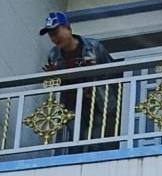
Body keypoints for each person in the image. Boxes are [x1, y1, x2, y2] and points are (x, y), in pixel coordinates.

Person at [38, 10, 119, 150]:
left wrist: (95, 69)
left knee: (97, 141)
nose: (54, 38)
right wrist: (54, 76)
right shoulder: (54, 55)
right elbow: (59, 85)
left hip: (98, 102)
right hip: (73, 105)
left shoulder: (93, 47)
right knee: (75, 140)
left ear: (68, 28)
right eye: (51, 35)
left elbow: (114, 73)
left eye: (56, 32)